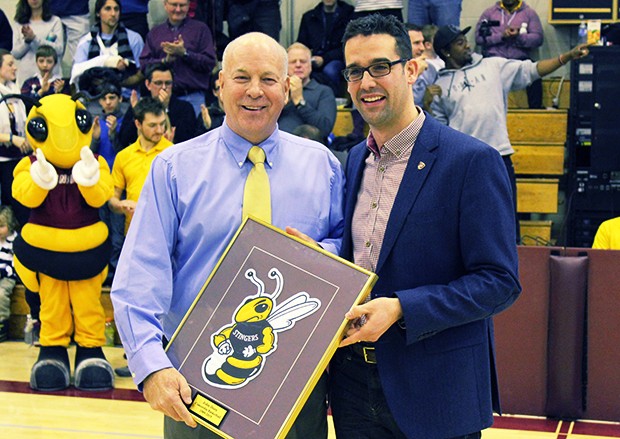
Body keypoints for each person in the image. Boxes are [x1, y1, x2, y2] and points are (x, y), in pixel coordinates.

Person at [111, 31, 344, 439]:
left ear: (287, 89)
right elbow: (138, 279)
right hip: (195, 385)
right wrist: (151, 367)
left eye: (269, 79)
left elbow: (349, 247)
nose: (255, 91)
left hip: (296, 385)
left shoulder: (322, 165)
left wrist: (320, 255)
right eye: (241, 78)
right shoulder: (173, 169)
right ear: (219, 85)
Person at [331, 14, 521, 438]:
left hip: (438, 390)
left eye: (380, 67)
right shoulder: (350, 162)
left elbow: (500, 281)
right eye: (355, 72)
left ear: (411, 68)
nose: (367, 83)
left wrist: (402, 308)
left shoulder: (471, 161)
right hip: (352, 389)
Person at [430, 25, 589, 240]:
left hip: (498, 155)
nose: (467, 45)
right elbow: (439, 132)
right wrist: (426, 103)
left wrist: (567, 56)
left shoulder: (493, 66)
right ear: (446, 51)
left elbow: (533, 70)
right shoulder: (439, 85)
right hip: (464, 163)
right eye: (459, 43)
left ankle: (514, 269)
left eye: (465, 40)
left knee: (507, 221)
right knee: (469, 221)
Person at [140, 0, 216, 117]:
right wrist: (164, 61)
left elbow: (210, 63)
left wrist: (185, 54)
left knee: (195, 134)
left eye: (182, 5)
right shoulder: (155, 33)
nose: (178, 9)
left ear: (189, 6)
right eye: (174, 5)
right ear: (165, 5)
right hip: (160, 97)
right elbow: (144, 64)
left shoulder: (201, 30)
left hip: (193, 97)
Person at [90, 82, 128, 285]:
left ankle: (116, 275)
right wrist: (95, 139)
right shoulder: (96, 124)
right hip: (99, 185)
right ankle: (102, 273)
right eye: (104, 98)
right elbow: (90, 155)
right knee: (101, 230)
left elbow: (124, 152)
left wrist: (114, 135)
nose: (108, 102)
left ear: (120, 99)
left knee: (117, 235)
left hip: (118, 187)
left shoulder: (125, 123)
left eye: (112, 97)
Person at [476, 0, 545, 108]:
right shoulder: (489, 13)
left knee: (535, 74)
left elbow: (538, 39)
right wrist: (501, 36)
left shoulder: (529, 13)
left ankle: (535, 113)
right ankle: (483, 109)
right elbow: (479, 39)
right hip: (493, 60)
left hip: (519, 60)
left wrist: (518, 37)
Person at [71, 0, 144, 93]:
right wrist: (106, 61)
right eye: (108, 9)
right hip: (94, 97)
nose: (113, 14)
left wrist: (115, 82)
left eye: (116, 9)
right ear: (98, 13)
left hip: (126, 97)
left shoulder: (134, 39)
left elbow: (141, 74)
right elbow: (76, 72)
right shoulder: (86, 41)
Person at [118, 62, 198, 147]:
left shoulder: (185, 108)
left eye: (168, 83)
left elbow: (187, 140)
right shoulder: (140, 106)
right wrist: (137, 114)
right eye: (158, 83)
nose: (164, 87)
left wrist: (165, 109)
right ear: (148, 84)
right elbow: (124, 140)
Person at [278, 43, 336, 142]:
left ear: (310, 65)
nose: (298, 65)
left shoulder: (324, 92)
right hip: (278, 147)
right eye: (293, 62)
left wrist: (300, 102)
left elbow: (325, 129)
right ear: (285, 67)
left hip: (311, 150)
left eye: (303, 61)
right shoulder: (277, 91)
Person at [0, 49, 32, 227]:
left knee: (22, 209)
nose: (15, 68)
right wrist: (12, 139)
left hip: (18, 159)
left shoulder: (14, 91)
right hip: (2, 160)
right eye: (10, 64)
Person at [297, 0, 354, 95]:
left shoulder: (348, 14)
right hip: (313, 59)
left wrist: (324, 59)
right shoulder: (309, 16)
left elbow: (349, 46)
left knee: (330, 70)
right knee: (297, 67)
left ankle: (333, 100)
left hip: (339, 59)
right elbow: (301, 44)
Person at [12, 0, 64, 87]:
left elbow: (59, 49)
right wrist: (27, 41)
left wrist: (34, 38)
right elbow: (16, 54)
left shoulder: (55, 21)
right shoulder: (19, 23)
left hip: (51, 79)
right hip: (26, 79)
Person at [49, 0, 90, 76]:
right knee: (47, 55)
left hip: (78, 11)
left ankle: (81, 87)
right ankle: (47, 87)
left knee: (81, 59)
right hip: (50, 11)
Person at [406, 23, 439, 110]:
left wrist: (428, 102)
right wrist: (415, 74)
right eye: (417, 43)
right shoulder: (393, 71)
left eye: (422, 42)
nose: (422, 48)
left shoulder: (430, 69)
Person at [0, 206, 18, 342]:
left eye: (1, 226)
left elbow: (15, 264)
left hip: (7, 276)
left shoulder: (14, 241)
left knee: (1, 294)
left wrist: (4, 271)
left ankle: (2, 324)